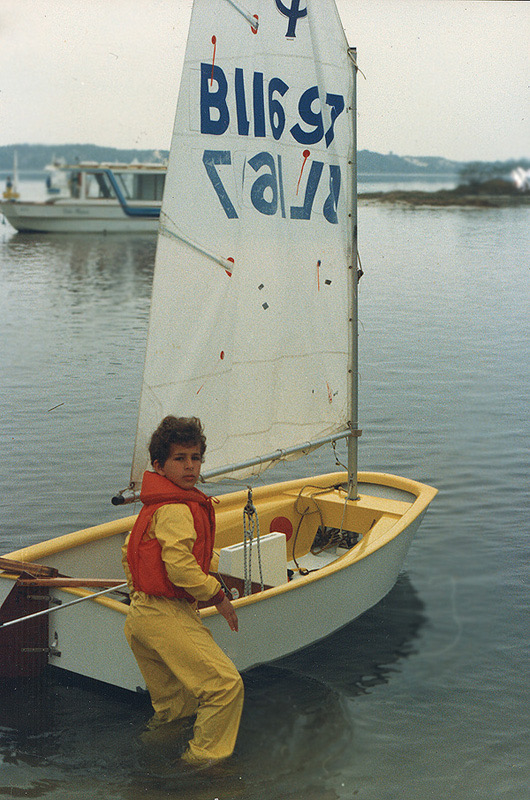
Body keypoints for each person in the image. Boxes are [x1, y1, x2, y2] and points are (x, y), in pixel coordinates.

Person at [122, 415, 243, 767]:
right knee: (225, 687)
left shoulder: (156, 505)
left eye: (196, 457)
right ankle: (199, 767)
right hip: (165, 615)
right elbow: (179, 568)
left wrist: (138, 595)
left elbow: (130, 551)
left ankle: (148, 762)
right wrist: (218, 596)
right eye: (180, 459)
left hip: (140, 616)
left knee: (176, 709)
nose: (190, 467)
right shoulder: (177, 509)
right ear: (159, 465)